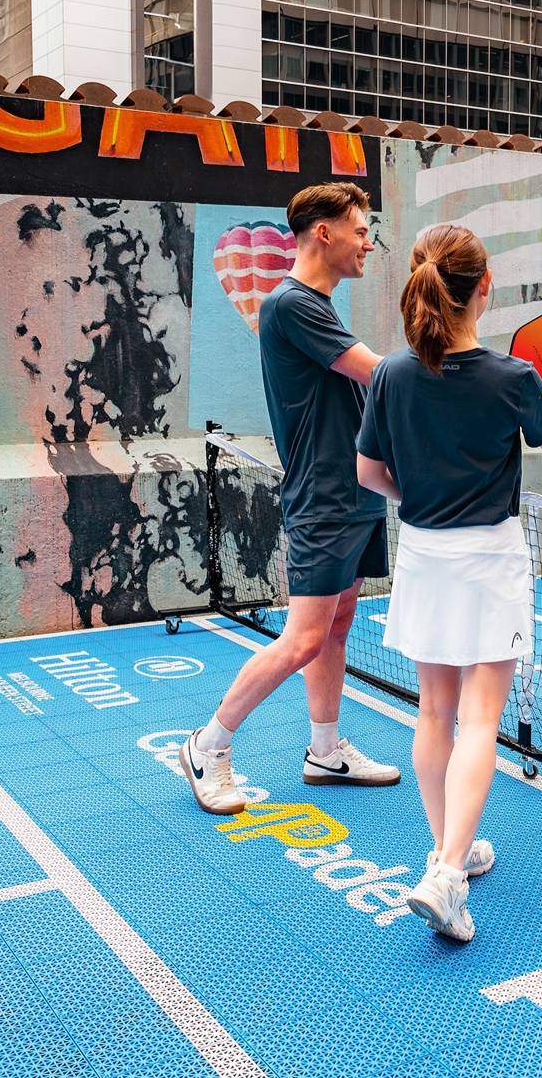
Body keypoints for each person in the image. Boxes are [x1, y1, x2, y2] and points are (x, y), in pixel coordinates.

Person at [355, 224, 542, 941]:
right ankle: (449, 873)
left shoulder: (389, 372)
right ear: (484, 287)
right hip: (489, 559)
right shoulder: (513, 378)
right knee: (481, 720)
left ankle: (448, 848)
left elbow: (369, 474)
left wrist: (420, 501)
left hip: (421, 553)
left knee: (433, 715)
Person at [181, 182, 402, 814]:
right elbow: (381, 374)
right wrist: (463, 376)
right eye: (360, 230)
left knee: (337, 626)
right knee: (305, 636)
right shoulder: (291, 303)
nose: (368, 242)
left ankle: (325, 751)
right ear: (324, 233)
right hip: (324, 495)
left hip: (356, 490)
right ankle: (208, 744)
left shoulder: (323, 306)